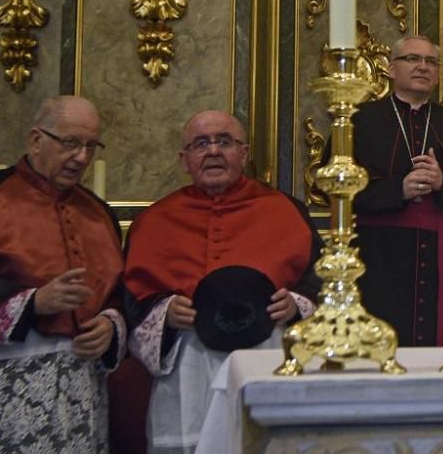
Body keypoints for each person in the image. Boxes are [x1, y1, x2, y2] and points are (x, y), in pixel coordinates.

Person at [123, 110, 321, 454]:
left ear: (243, 154)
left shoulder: (286, 210)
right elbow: (130, 298)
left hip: (268, 357)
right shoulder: (155, 220)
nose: (213, 151)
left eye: (224, 142)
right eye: (201, 144)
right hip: (187, 367)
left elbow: (320, 282)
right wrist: (165, 313)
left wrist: (297, 304)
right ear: (184, 159)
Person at [0, 96, 125, 454]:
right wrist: (33, 302)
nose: (82, 158)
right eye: (70, 143)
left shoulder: (99, 213)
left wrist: (110, 325)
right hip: (10, 383)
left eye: (90, 146)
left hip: (84, 385)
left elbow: (120, 293)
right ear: (36, 140)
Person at [352, 34, 443, 346]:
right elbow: (340, 192)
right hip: (379, 252)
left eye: (431, 62)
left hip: (440, 250)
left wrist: (442, 183)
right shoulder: (362, 121)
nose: (422, 67)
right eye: (412, 59)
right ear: (391, 68)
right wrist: (397, 190)